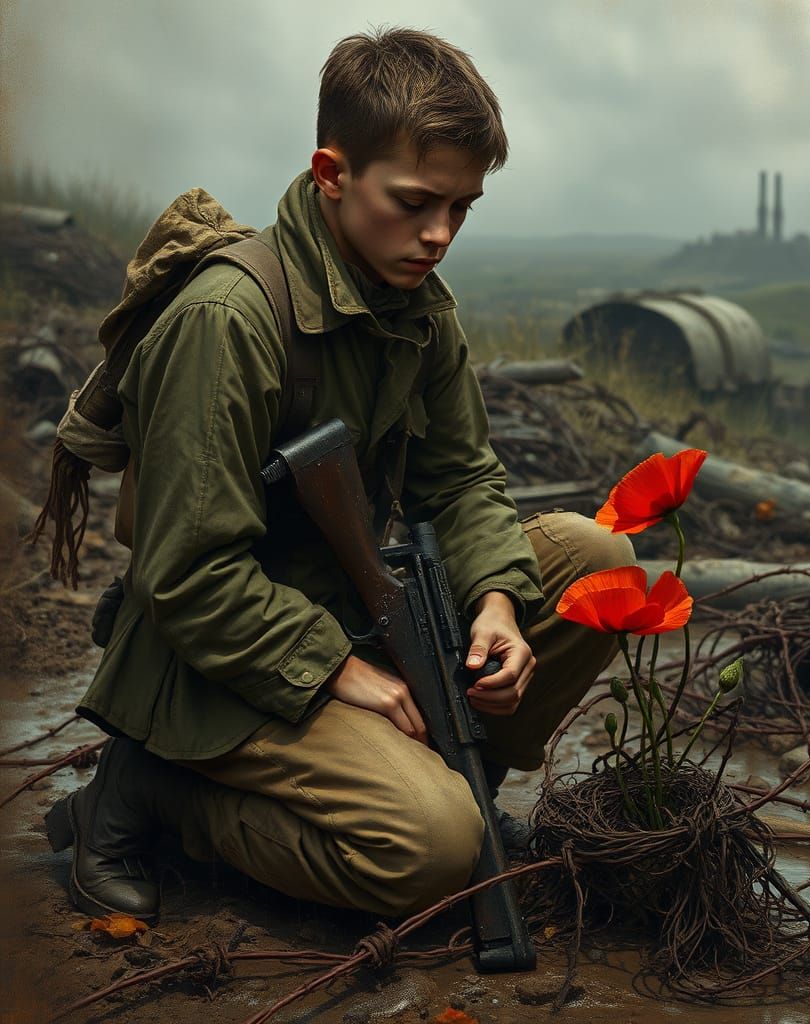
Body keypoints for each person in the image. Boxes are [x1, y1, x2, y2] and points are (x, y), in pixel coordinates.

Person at [45, 27, 635, 923]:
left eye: (463, 209)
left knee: (601, 561)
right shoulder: (228, 319)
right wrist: (334, 673)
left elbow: (464, 479)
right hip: (214, 656)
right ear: (331, 173)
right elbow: (187, 576)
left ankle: (436, 773)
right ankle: (154, 798)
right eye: (415, 202)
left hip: (352, 614)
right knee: (433, 854)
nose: (440, 235)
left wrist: (499, 607)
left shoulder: (418, 309)